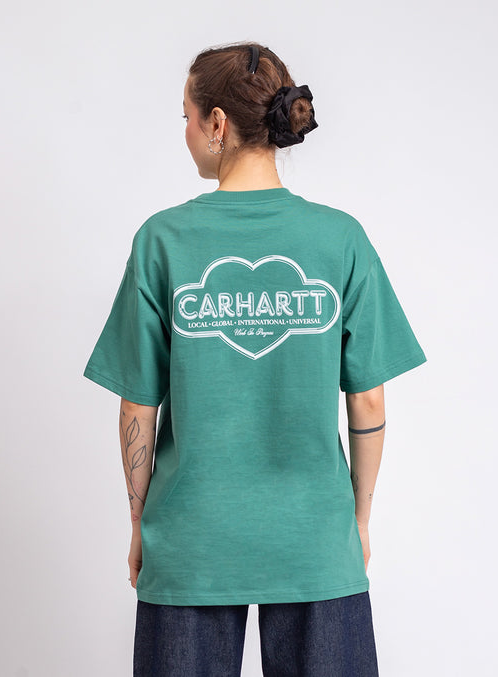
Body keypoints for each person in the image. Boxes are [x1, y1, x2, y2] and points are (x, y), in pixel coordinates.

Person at [83, 41, 427, 677]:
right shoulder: (340, 238)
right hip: (315, 541)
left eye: (187, 117)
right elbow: (368, 397)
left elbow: (137, 403)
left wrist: (139, 523)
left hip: (190, 543)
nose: (185, 133)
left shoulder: (162, 240)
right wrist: (357, 521)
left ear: (217, 122)